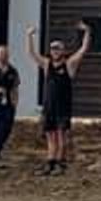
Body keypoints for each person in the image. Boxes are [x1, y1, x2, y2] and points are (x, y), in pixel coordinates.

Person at [26, 21, 90, 173]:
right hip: (49, 106)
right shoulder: (47, 64)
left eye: (57, 48)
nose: (54, 51)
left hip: (63, 106)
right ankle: (50, 161)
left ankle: (61, 162)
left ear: (63, 50)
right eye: (52, 48)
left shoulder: (69, 64)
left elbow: (83, 49)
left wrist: (87, 32)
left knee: (61, 135)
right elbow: (32, 54)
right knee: (50, 135)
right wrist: (29, 36)